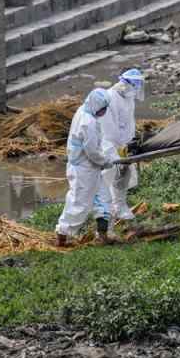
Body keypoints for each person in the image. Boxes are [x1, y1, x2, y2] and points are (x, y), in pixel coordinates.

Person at [55, 89, 118, 247]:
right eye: (103, 108)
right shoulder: (88, 122)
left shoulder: (83, 110)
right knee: (79, 203)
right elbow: (92, 151)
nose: (104, 111)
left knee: (104, 199)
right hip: (84, 168)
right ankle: (62, 236)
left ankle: (103, 235)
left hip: (89, 167)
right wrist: (105, 161)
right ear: (96, 106)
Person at [96, 69, 145, 222]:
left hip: (123, 144)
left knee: (123, 175)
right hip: (109, 144)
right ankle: (109, 212)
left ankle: (120, 206)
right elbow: (109, 128)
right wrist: (118, 147)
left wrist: (130, 141)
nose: (136, 89)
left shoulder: (128, 98)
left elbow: (128, 122)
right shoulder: (110, 97)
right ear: (125, 84)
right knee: (110, 176)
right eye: (135, 85)